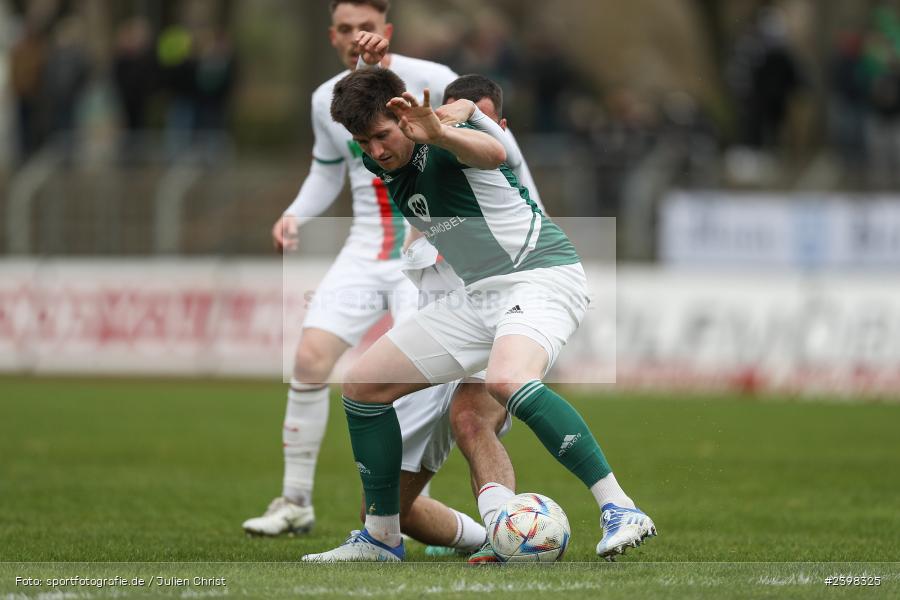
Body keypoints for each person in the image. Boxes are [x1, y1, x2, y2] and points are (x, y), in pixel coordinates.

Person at [302, 67, 656, 562]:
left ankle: (620, 508)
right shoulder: (380, 157)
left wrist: (446, 129)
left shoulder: (446, 134)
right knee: (363, 387)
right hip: (478, 296)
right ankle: (381, 539)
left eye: (382, 136)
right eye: (363, 141)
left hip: (541, 274)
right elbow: (379, 104)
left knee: (506, 381)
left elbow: (495, 154)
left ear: (403, 118)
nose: (376, 151)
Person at [243, 0, 466, 542]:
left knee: (408, 378)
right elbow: (326, 170)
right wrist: (295, 213)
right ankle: (295, 501)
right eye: (345, 29)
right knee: (310, 357)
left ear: (385, 31)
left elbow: (477, 141)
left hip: (430, 246)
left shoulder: (432, 79)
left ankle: (413, 509)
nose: (355, 38)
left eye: (365, 27)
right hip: (367, 245)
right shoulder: (327, 99)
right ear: (331, 36)